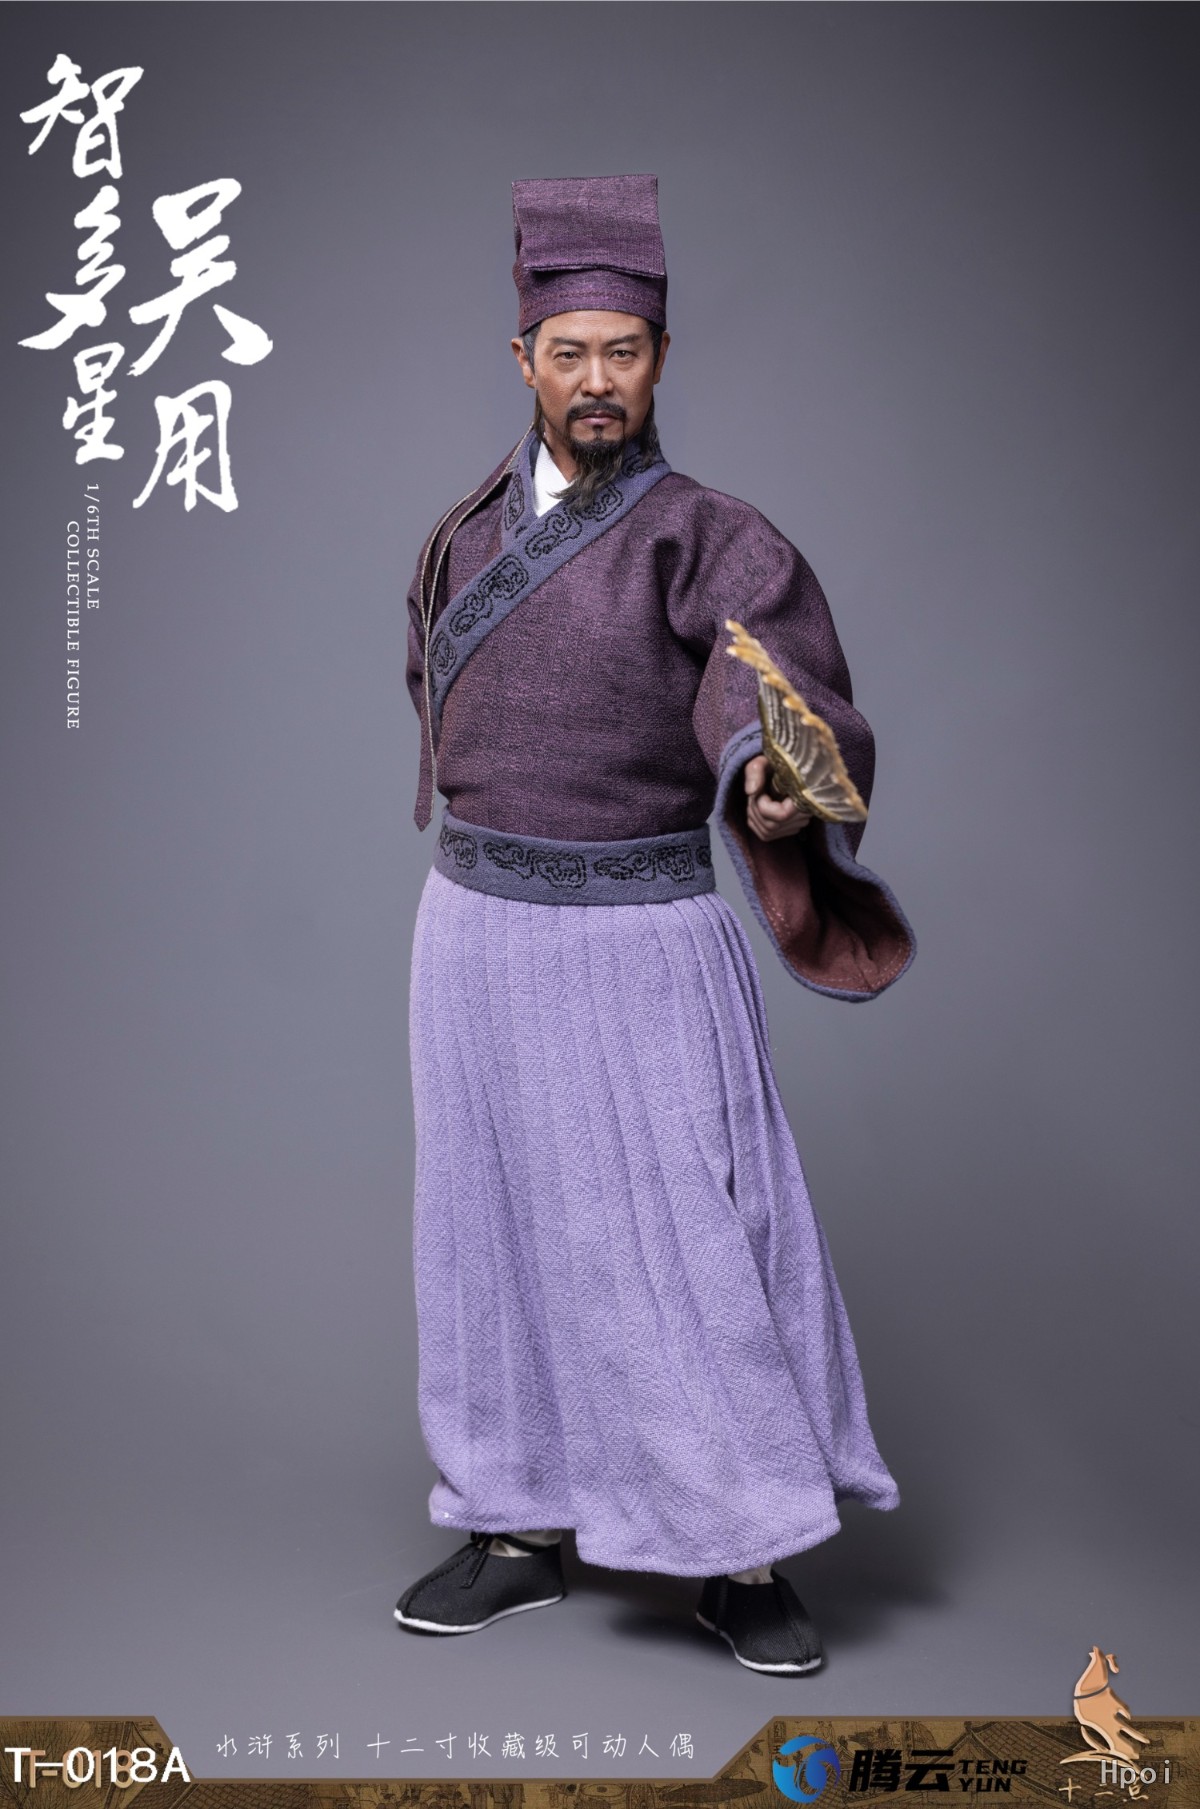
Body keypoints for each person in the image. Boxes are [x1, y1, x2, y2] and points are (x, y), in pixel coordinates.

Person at [394, 174, 915, 1675]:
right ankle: (512, 1520)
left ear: (662, 358)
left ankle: (741, 1545)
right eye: (569, 353)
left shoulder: (708, 535)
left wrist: (769, 776)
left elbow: (766, 677)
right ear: (522, 361)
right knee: (485, 1232)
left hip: (635, 932)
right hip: (471, 928)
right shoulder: (465, 533)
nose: (597, 380)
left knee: (683, 1238)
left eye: (623, 351)